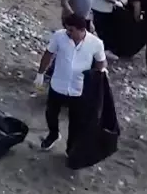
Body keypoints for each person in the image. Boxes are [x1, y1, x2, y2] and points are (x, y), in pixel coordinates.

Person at [35, 14, 107, 152]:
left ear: (81, 30)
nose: (68, 33)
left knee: (76, 121)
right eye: (67, 30)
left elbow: (100, 62)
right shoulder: (59, 36)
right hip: (58, 83)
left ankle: (71, 147)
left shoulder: (96, 43)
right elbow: (49, 53)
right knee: (51, 113)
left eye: (71, 30)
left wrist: (98, 79)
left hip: (78, 88)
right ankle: (53, 134)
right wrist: (40, 73)